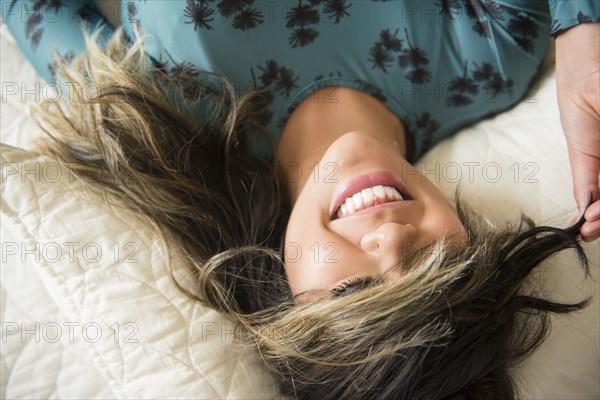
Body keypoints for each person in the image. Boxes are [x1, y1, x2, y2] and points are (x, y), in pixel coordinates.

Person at [2, 0, 599, 398]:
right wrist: (582, 29)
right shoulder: (489, 54)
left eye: (356, 289)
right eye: (432, 268)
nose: (390, 237)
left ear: (283, 301)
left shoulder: (156, 120)